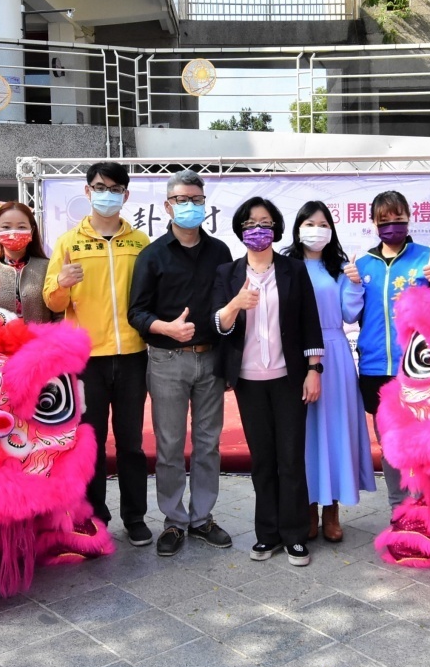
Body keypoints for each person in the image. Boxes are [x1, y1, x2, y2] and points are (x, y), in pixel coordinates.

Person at [43, 162, 151, 544]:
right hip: (86, 358)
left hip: (134, 354)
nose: (107, 193)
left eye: (115, 188)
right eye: (100, 187)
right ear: (88, 192)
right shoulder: (69, 242)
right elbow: (52, 301)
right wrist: (61, 281)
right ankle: (95, 516)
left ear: (126, 195)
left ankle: (135, 516)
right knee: (90, 441)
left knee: (131, 442)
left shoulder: (141, 243)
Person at [128, 170, 235, 557]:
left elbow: (228, 309)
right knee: (170, 445)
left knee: (209, 444)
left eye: (196, 199)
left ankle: (202, 517)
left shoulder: (221, 252)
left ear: (205, 204)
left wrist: (228, 362)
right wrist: (166, 329)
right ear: (167, 205)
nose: (190, 206)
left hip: (209, 361)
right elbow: (136, 312)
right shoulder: (152, 255)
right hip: (167, 360)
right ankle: (174, 521)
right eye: (182, 200)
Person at [214, 197, 323, 567]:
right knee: (262, 459)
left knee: (291, 458)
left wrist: (314, 370)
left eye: (264, 222)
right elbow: (220, 327)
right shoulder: (227, 274)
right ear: (240, 229)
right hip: (248, 380)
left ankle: (295, 535)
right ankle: (267, 535)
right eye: (249, 223)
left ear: (275, 228)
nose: (257, 229)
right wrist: (234, 305)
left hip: (289, 378)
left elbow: (310, 320)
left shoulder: (293, 270)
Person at [351, 190, 430, 510]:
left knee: (423, 440)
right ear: (373, 223)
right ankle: (398, 507)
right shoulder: (363, 263)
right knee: (389, 443)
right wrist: (350, 283)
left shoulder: (429, 257)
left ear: (409, 218)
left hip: (419, 369)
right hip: (375, 369)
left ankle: (427, 506)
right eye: (384, 220)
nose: (391, 225)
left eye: (398, 218)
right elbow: (353, 313)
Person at [283, 201, 376, 542]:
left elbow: (350, 315)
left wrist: (353, 283)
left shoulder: (338, 267)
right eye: (309, 223)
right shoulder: (285, 264)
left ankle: (331, 511)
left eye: (323, 224)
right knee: (304, 433)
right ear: (297, 227)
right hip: (295, 357)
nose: (316, 229)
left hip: (334, 353)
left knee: (336, 431)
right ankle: (308, 508)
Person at [0, 201, 53, 324]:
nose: (13, 233)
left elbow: (59, 313)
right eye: (6, 227)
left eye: (21, 227)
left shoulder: (48, 267)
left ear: (32, 230)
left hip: (41, 341)